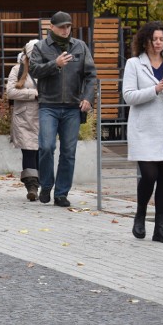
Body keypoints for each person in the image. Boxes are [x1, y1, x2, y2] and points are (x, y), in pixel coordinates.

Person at [29, 11, 96, 207]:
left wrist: (87, 98)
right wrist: (54, 64)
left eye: (68, 26)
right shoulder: (41, 47)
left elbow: (91, 76)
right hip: (48, 105)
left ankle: (61, 193)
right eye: (62, 27)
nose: (66, 30)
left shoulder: (80, 46)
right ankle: (47, 185)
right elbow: (33, 70)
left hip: (72, 108)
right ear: (52, 27)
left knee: (68, 151)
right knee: (47, 147)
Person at [122, 21, 163, 243]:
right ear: (145, 40)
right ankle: (140, 213)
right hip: (145, 128)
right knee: (149, 175)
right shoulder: (134, 64)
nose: (159, 43)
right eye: (155, 39)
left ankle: (160, 228)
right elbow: (129, 96)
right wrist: (155, 89)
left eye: (162, 39)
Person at [7, 39, 41, 201]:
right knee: (29, 151)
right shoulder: (17, 69)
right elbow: (11, 92)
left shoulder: (47, 69)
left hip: (43, 116)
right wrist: (33, 93)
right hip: (24, 117)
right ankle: (32, 186)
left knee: (42, 151)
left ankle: (42, 183)